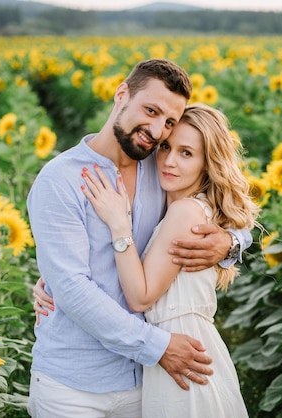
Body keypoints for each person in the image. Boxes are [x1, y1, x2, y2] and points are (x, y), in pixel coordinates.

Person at [26, 59, 251, 418]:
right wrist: (158, 347)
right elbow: (73, 290)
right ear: (121, 95)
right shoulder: (59, 180)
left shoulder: (159, 167)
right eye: (151, 110)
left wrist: (231, 243)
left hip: (145, 384)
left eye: (169, 122)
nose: (158, 130)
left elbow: (218, 203)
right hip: (74, 387)